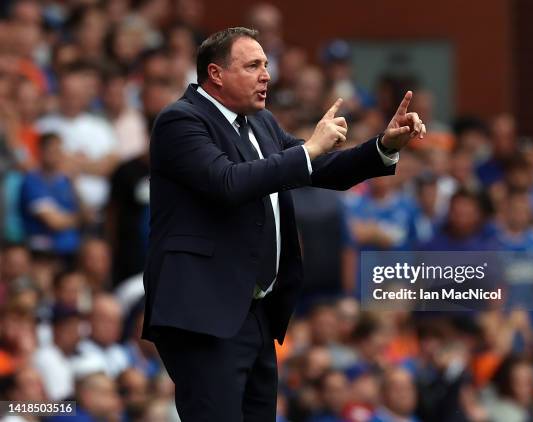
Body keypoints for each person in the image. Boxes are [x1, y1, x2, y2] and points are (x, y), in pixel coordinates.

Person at [142, 27, 426, 421]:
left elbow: (321, 168)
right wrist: (309, 148)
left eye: (266, 65)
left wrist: (385, 146)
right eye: (253, 65)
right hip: (204, 313)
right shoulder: (180, 121)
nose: (266, 75)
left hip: (255, 311)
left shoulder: (260, 123)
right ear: (216, 74)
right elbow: (228, 183)